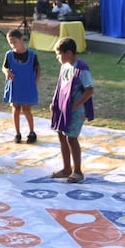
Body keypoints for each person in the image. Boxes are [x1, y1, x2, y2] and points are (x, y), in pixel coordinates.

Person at [49, 37, 94, 183]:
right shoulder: (64, 67)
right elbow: (60, 85)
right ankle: (66, 168)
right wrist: (54, 102)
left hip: (76, 110)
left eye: (59, 54)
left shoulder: (81, 68)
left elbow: (89, 90)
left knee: (71, 138)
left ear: (68, 53)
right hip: (63, 107)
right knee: (61, 134)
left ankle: (78, 171)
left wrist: (75, 106)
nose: (57, 57)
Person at [2, 28, 41, 144]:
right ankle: (17, 133)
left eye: (14, 41)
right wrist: (6, 72)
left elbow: (38, 68)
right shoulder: (9, 55)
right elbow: (4, 67)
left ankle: (32, 132)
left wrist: (36, 81)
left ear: (21, 40)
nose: (13, 44)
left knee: (27, 109)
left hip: (27, 86)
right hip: (15, 86)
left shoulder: (32, 55)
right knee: (15, 108)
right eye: (10, 42)